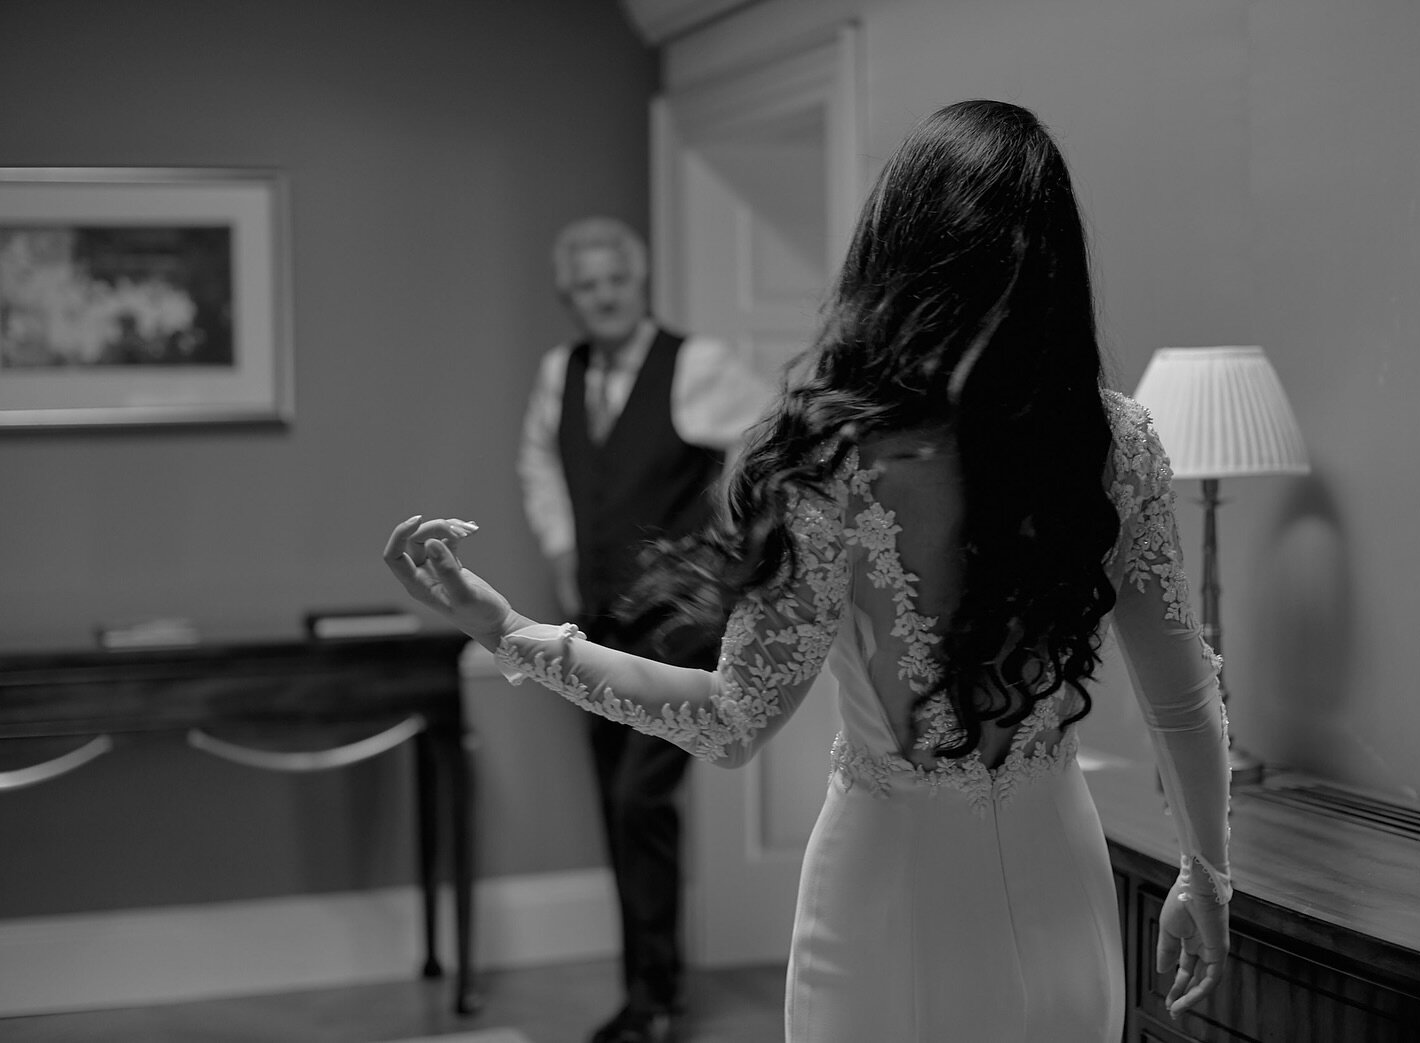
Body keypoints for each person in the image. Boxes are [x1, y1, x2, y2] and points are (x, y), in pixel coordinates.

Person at [387, 101, 1231, 1042]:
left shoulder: (831, 463)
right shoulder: (1119, 443)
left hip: (886, 903)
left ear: (896, 254)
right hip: (1062, 885)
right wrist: (1207, 875)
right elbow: (1185, 703)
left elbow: (730, 720)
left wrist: (511, 636)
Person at [511, 216, 771, 1043]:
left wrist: (726, 551)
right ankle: (644, 993)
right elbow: (539, 464)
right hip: (590, 625)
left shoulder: (696, 365)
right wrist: (558, 547)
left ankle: (656, 999)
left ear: (640, 280)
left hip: (679, 631)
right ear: (569, 298)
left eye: (614, 280)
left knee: (639, 797)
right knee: (615, 804)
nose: (603, 297)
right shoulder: (563, 371)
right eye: (586, 286)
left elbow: (774, 446)